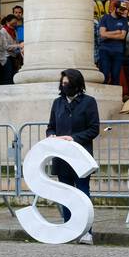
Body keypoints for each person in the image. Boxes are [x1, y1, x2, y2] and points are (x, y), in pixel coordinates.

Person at [45, 68, 100, 246]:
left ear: (76, 84)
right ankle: (69, 229)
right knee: (66, 193)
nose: (64, 86)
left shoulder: (89, 102)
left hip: (81, 156)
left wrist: (74, 138)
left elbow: (94, 129)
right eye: (63, 83)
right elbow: (51, 126)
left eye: (68, 83)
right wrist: (52, 135)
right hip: (62, 157)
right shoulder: (57, 103)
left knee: (83, 192)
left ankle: (86, 232)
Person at [96, 0, 129, 86]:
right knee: (104, 74)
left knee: (116, 75)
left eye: (123, 10)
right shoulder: (105, 18)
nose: (122, 12)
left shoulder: (124, 20)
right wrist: (116, 32)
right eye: (120, 9)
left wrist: (108, 34)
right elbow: (102, 34)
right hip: (105, 50)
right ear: (115, 8)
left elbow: (122, 36)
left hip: (118, 51)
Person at [0, 14, 23, 85]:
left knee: (13, 75)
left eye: (16, 23)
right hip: (6, 57)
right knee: (8, 77)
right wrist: (19, 46)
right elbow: (6, 46)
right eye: (13, 23)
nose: (15, 24)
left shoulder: (14, 31)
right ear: (7, 22)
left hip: (13, 56)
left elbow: (16, 42)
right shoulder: (2, 31)